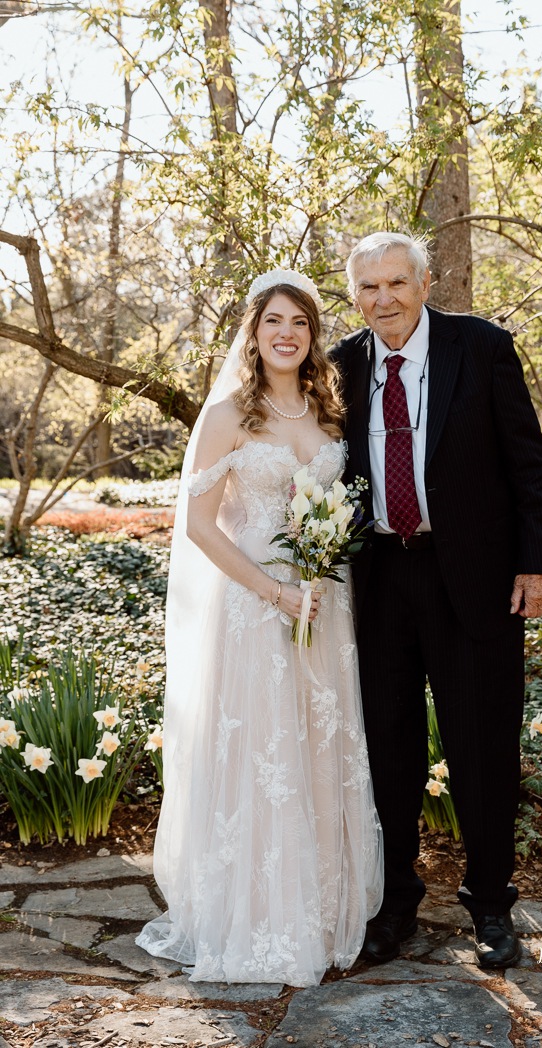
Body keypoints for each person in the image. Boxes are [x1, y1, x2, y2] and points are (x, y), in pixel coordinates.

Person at [136, 270, 383, 988]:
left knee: (318, 742)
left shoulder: (328, 412)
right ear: (253, 330)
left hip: (325, 603)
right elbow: (198, 525)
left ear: (313, 336)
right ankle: (260, 917)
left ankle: (323, 909)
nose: (286, 333)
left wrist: (315, 578)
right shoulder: (227, 417)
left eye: (300, 323)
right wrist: (275, 592)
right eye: (274, 320)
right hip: (254, 604)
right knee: (265, 751)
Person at [330, 232, 542, 970]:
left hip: (474, 578)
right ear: (354, 295)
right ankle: (397, 900)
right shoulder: (339, 365)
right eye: (368, 287)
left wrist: (538, 563)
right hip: (376, 580)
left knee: (482, 745)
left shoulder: (481, 347)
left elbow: (529, 462)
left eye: (396, 283)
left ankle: (490, 903)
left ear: (425, 284)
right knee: (387, 746)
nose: (384, 300)